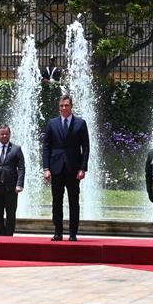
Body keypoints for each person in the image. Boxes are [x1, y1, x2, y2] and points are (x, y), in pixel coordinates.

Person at [42, 94, 90, 241]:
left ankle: (73, 233)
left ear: (71, 106)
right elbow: (46, 147)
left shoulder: (80, 123)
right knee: (57, 201)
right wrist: (46, 168)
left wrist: (83, 168)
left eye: (67, 105)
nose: (64, 108)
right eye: (62, 106)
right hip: (56, 168)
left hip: (73, 169)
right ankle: (58, 232)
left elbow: (86, 148)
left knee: (73, 201)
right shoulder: (52, 123)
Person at [0, 125, 25, 236]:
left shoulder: (16, 149)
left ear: (10, 134)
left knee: (11, 215)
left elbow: (21, 168)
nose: (4, 136)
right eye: (2, 134)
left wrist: (19, 184)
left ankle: (9, 238)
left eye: (6, 134)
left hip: (11, 187)